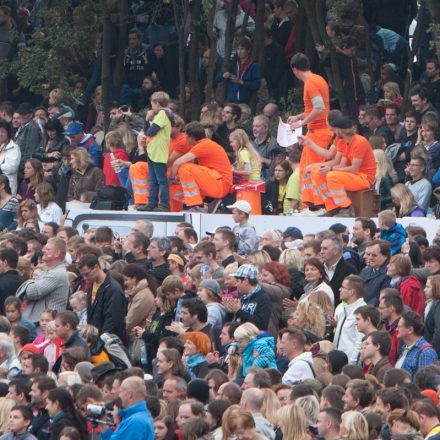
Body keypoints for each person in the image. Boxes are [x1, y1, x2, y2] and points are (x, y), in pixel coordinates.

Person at [287, 53, 332, 212]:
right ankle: (313, 204)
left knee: (311, 170)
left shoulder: (310, 84)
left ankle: (317, 205)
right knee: (308, 168)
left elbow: (319, 108)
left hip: (318, 132)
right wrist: (299, 116)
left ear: (294, 69)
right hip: (317, 132)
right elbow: (316, 108)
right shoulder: (318, 79)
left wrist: (300, 123)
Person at [310, 116, 376, 217]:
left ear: (340, 130)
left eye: (335, 129)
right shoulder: (345, 142)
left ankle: (346, 208)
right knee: (317, 173)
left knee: (332, 176)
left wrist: (331, 169)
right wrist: (328, 169)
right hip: (354, 176)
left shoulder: (359, 142)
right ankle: (332, 208)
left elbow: (354, 169)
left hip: (364, 178)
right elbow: (341, 166)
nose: (333, 132)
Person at [170, 122, 233, 213]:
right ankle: (201, 203)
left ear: (191, 138)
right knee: (170, 189)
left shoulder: (203, 145)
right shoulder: (204, 144)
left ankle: (196, 205)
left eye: (186, 137)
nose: (185, 140)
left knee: (185, 167)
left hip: (220, 184)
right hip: (215, 182)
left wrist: (171, 179)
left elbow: (177, 163)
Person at [16, 238, 69, 323]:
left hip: (49, 324)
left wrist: (30, 281)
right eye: (44, 248)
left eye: (48, 249)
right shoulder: (48, 271)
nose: (43, 250)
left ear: (57, 253)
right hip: (41, 322)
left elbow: (32, 293)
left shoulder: (57, 273)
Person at [78, 254, 127, 342]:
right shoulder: (92, 284)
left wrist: (101, 343)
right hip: (94, 338)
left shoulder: (113, 289)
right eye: (83, 275)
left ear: (96, 267)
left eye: (87, 274)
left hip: (107, 341)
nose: (85, 278)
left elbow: (112, 320)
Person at [141, 91, 173, 212]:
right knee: (152, 179)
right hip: (153, 151)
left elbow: (150, 132)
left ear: (157, 103)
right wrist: (147, 121)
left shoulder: (163, 114)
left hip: (158, 152)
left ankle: (164, 204)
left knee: (161, 180)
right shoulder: (161, 115)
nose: (151, 107)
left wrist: (147, 119)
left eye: (152, 104)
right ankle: (151, 202)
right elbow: (147, 131)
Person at [224, 264, 272, 331]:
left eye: (237, 281)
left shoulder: (263, 299)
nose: (236, 284)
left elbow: (261, 325)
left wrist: (239, 311)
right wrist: (230, 312)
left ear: (245, 281)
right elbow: (228, 324)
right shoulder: (240, 297)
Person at [395, 310, 438, 379]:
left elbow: (424, 383)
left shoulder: (426, 352)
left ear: (410, 330)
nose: (396, 329)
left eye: (399, 327)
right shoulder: (405, 348)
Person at [222, 38, 261, 104]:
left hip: (244, 101)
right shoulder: (233, 63)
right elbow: (218, 77)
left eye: (242, 49)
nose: (239, 52)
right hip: (230, 99)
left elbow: (257, 85)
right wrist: (224, 75)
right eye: (238, 49)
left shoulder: (253, 66)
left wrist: (241, 82)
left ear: (248, 50)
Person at [360, 240, 391, 306]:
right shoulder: (364, 271)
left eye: (374, 255)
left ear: (385, 256)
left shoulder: (389, 274)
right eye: (368, 254)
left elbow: (380, 299)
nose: (369, 257)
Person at [0, 119, 20, 196]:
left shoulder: (14, 147)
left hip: (7, 187)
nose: (0, 134)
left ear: (8, 132)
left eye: (3, 132)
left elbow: (12, 168)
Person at [424, 274, 440, 357]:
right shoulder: (431, 304)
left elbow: (438, 331)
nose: (424, 290)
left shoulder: (438, 305)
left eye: (428, 287)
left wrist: (430, 350)